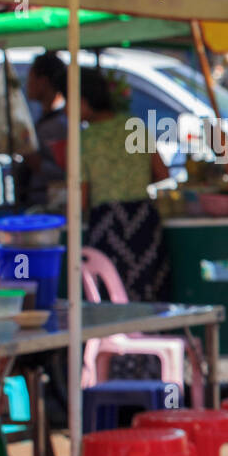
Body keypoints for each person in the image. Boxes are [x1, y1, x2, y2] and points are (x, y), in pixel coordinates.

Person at [78, 66, 172, 303]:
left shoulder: (84, 139)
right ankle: (149, 338)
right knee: (147, 294)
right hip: (143, 220)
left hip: (108, 224)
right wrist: (131, 180)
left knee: (111, 299)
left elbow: (80, 198)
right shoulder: (133, 124)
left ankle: (114, 340)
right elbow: (162, 173)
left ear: (84, 101)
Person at [17, 52, 68, 209]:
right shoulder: (45, 118)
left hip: (50, 208)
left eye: (30, 78)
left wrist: (36, 163)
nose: (27, 85)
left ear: (43, 82)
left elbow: (68, 171)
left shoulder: (59, 125)